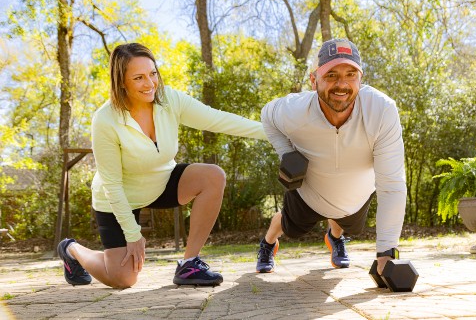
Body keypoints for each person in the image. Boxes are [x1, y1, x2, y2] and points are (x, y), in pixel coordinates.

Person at [57, 42, 267, 289]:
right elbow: (112, 184)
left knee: (213, 176)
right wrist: (133, 235)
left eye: (153, 73)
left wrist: (274, 133)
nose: (150, 84)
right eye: (138, 78)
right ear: (121, 82)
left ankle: (189, 264)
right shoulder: (105, 119)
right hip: (118, 197)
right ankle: (72, 250)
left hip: (161, 183)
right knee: (123, 279)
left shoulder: (169, 100)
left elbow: (218, 120)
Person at [256, 38, 406, 276]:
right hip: (308, 191)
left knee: (348, 224)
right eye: (331, 75)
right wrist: (287, 154)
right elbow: (267, 116)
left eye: (350, 74)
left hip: (353, 200)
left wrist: (386, 254)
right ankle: (268, 242)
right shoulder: (294, 110)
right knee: (289, 227)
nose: (342, 84)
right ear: (314, 80)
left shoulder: (382, 110)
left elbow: (392, 185)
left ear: (361, 78)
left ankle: (334, 237)